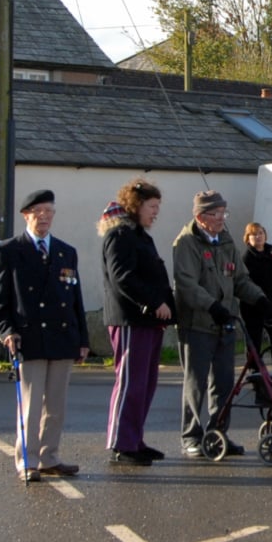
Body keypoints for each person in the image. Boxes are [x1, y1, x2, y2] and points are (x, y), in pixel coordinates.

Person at [0, 190, 90, 482]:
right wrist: (6, 330)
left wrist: (82, 339)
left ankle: (49, 456)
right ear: (26, 215)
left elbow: (75, 299)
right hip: (28, 337)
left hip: (62, 337)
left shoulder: (65, 251)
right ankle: (28, 461)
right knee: (31, 406)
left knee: (56, 405)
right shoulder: (9, 251)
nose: (44, 216)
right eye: (38, 211)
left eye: (49, 211)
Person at [174, 189, 266, 460]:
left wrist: (261, 300)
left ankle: (218, 434)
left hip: (225, 324)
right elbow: (186, 285)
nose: (223, 219)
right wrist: (212, 306)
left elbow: (239, 279)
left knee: (224, 383)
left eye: (224, 213)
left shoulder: (225, 241)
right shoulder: (186, 243)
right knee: (196, 383)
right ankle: (191, 436)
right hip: (199, 324)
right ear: (202, 217)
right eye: (217, 214)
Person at [100, 179, 175, 464]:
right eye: (152, 206)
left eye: (157, 206)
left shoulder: (140, 235)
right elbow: (122, 277)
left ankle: (135, 438)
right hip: (131, 320)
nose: (156, 212)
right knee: (130, 382)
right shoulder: (120, 235)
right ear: (136, 205)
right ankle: (122, 443)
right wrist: (154, 303)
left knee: (145, 383)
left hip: (148, 321)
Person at [240, 221, 272, 359]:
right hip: (254, 306)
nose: (258, 237)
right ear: (248, 238)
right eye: (254, 234)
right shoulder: (247, 258)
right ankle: (255, 374)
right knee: (254, 342)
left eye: (261, 233)